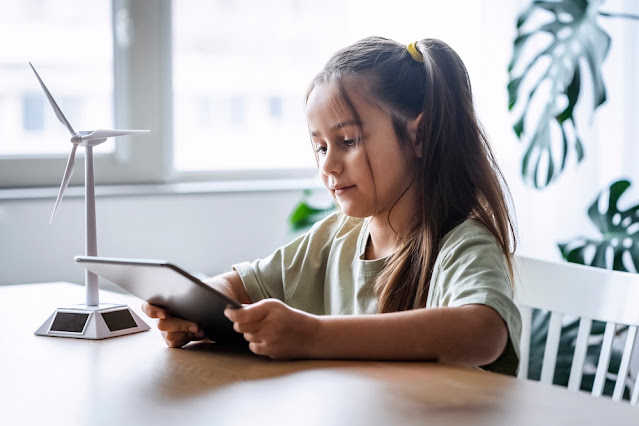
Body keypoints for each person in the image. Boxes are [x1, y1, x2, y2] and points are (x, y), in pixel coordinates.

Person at [143, 36, 522, 375]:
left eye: (348, 140)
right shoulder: (333, 236)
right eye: (321, 147)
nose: (327, 165)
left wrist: (314, 335)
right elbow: (241, 286)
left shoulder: (462, 245)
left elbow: (484, 331)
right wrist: (192, 310)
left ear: (418, 136)